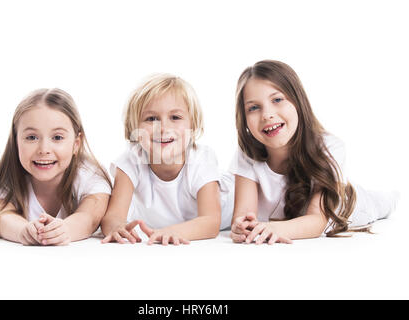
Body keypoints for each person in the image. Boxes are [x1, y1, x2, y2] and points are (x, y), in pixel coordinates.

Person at [230, 60, 398, 244]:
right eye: (253, 108)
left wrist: (274, 228)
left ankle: (393, 198)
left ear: (298, 101)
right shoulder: (247, 153)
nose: (267, 114)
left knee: (382, 203)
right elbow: (244, 216)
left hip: (352, 205)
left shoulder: (329, 147)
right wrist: (241, 228)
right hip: (287, 221)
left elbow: (317, 221)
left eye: (277, 100)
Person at [101, 74, 233, 245]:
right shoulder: (131, 160)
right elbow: (113, 216)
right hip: (168, 225)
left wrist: (172, 231)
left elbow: (210, 222)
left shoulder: (201, 159)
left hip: (236, 210)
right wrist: (117, 227)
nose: (163, 128)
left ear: (192, 126)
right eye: (151, 119)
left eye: (175, 117)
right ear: (134, 127)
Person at [0, 88, 112, 245]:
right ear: (16, 142)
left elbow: (90, 216)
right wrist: (23, 230)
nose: (44, 149)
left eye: (57, 137)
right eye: (32, 137)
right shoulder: (8, 174)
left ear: (76, 144)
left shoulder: (90, 175)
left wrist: (65, 230)